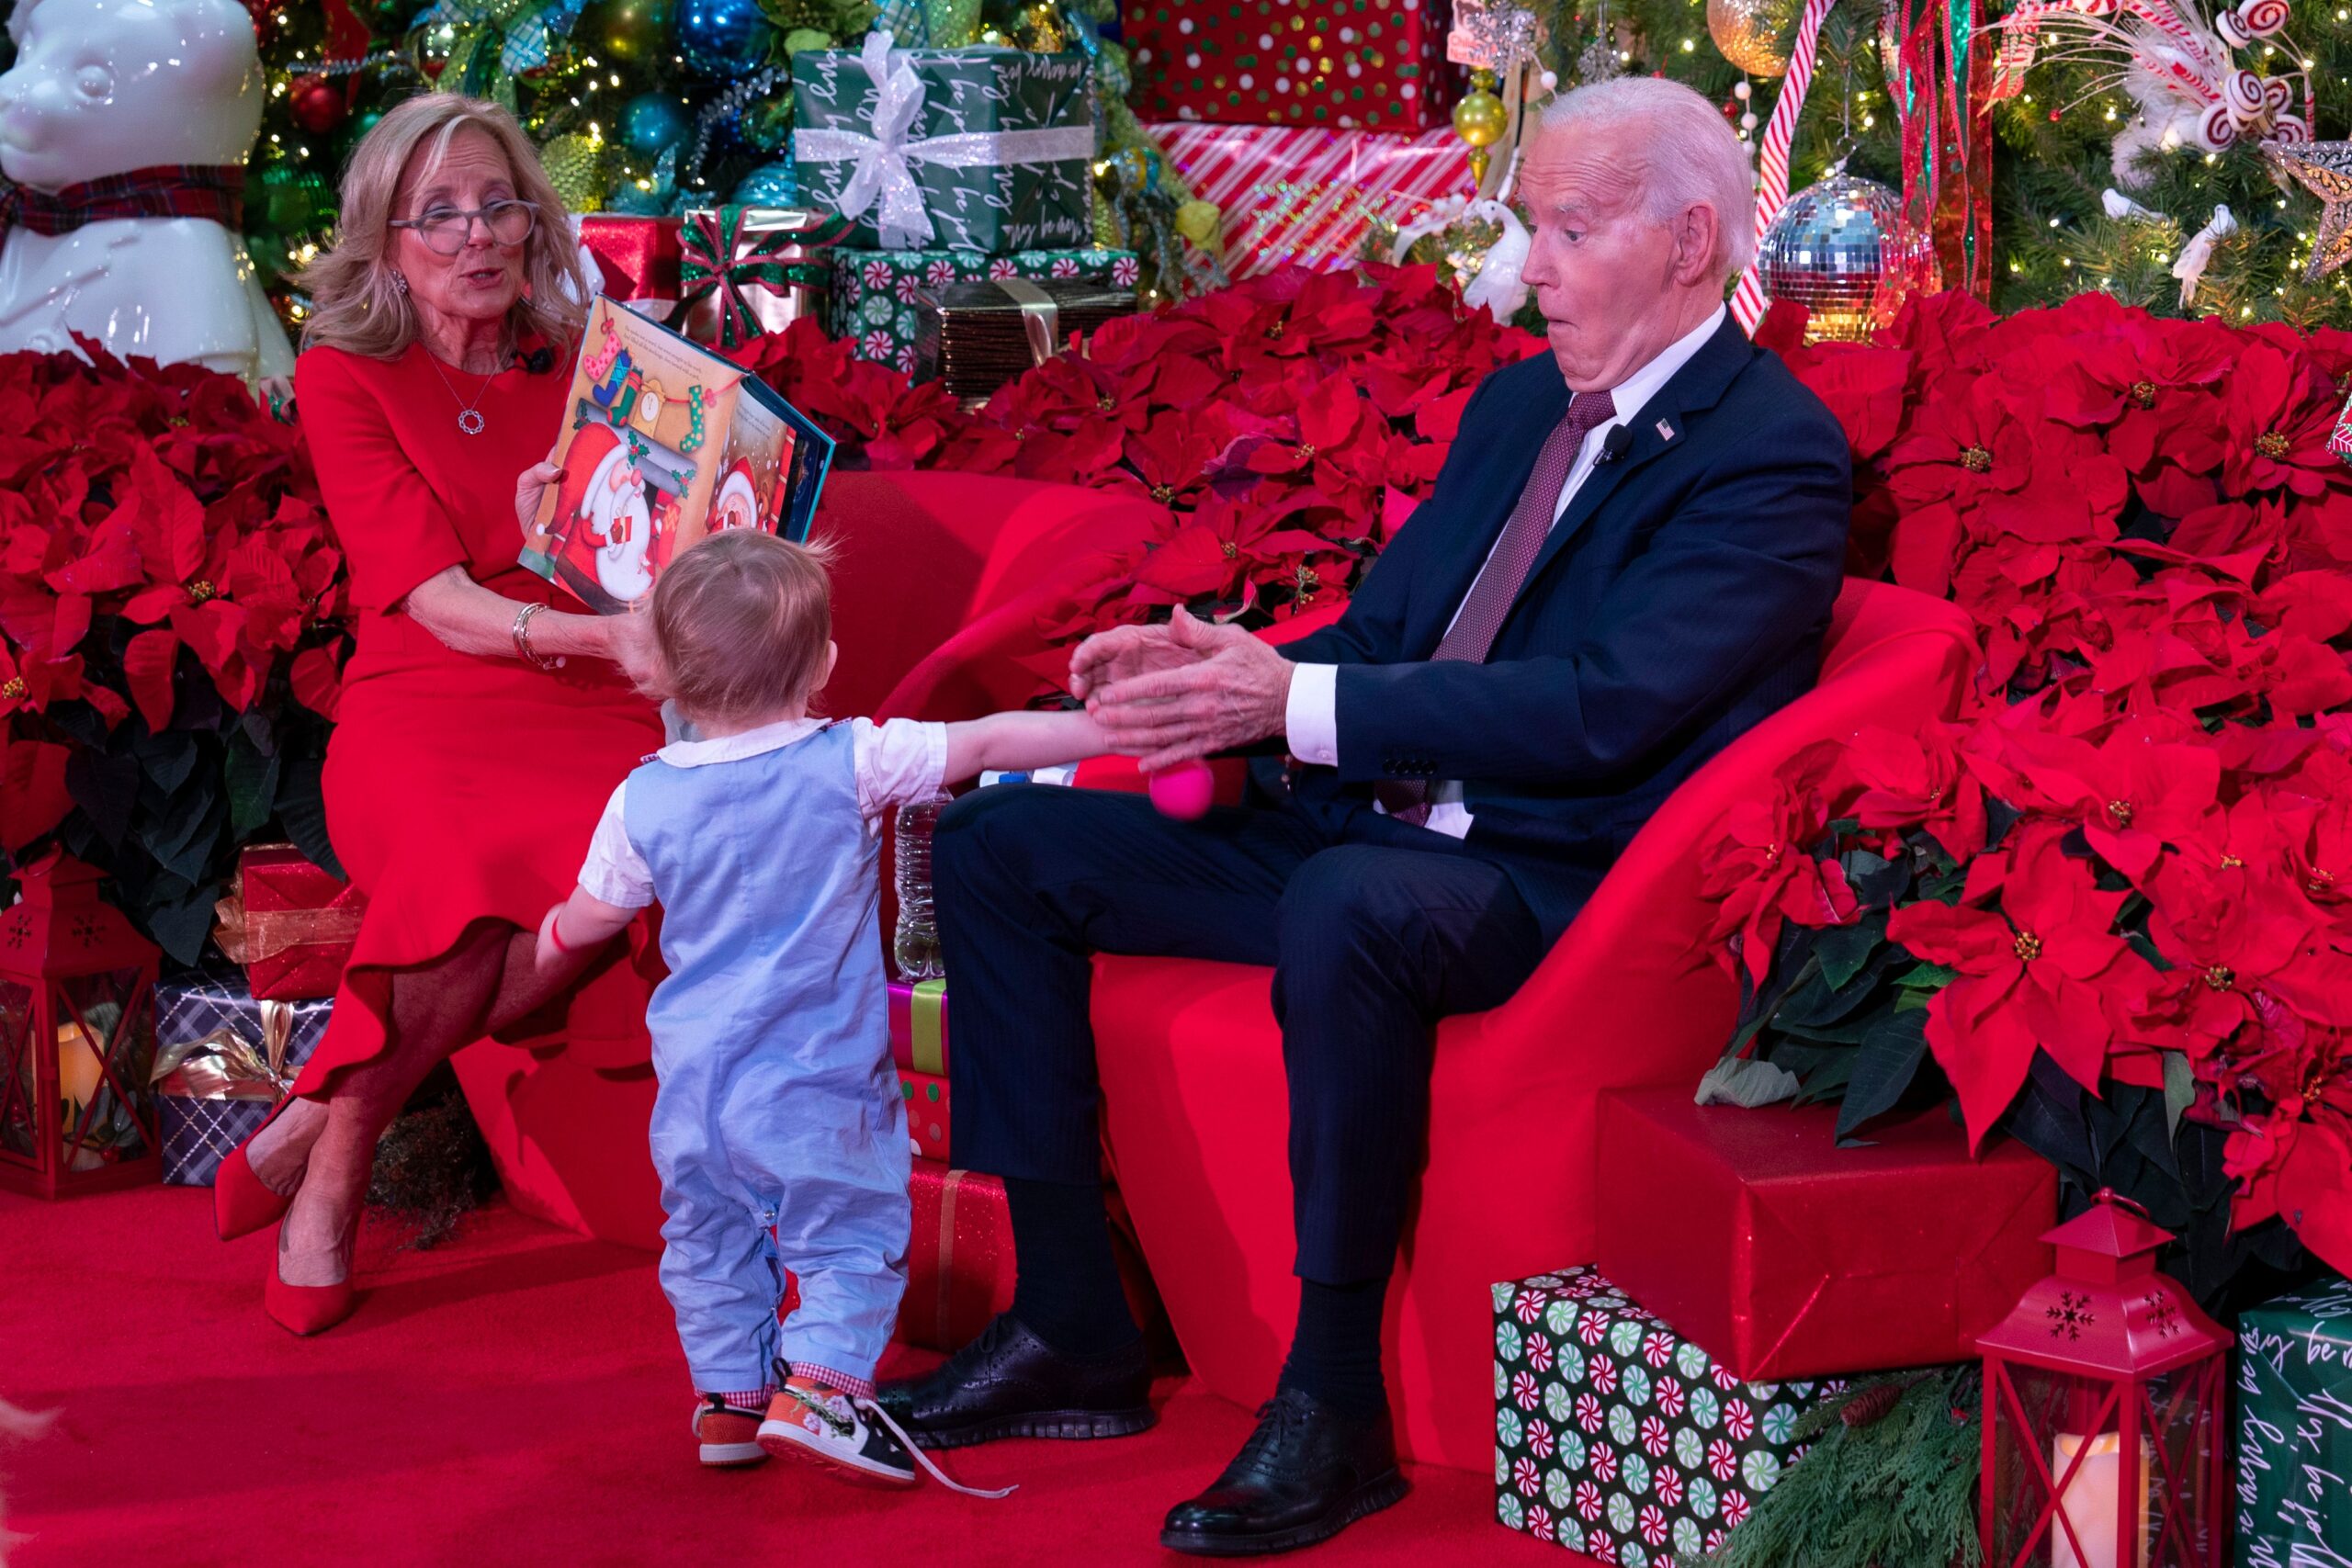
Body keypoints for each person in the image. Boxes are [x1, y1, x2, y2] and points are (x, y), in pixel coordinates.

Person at [878, 75, 1855, 1554]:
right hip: (1376, 820)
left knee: (1354, 904)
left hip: (1541, 872)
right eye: (1532, 226)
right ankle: (1073, 1316)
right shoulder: (1526, 401)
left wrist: (1287, 709)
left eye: (1569, 231)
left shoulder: (1769, 452)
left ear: (1691, 240)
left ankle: (1332, 1403)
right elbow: (1392, 634)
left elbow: (1602, 708)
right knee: (1002, 844)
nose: (1531, 269)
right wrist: (1220, 677)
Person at [209, 94, 662, 1336]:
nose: (479, 235)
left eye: (500, 202)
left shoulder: (592, 359)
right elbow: (434, 596)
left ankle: (323, 1116)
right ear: (386, 240)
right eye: (441, 213)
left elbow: (635, 546)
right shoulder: (343, 371)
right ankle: (341, 1168)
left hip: (593, 691)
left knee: (650, 834)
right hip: (426, 692)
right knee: (465, 868)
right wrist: (598, 635)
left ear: (534, 218)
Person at [535, 531, 1108, 1487]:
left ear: (663, 672)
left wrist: (549, 939)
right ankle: (825, 1390)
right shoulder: (851, 759)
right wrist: (1113, 729)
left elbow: (591, 915)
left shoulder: (641, 798)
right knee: (846, 1235)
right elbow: (990, 743)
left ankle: (729, 1406)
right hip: (817, 1082)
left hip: (696, 1096)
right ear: (826, 663)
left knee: (710, 1239)